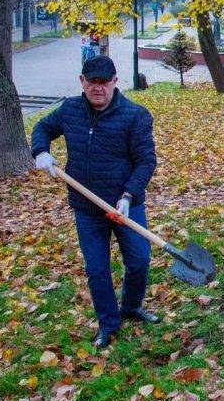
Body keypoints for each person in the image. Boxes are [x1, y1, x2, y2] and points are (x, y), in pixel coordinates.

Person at [31, 55, 159, 349]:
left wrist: (128, 196)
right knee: (97, 269)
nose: (98, 88)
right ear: (82, 82)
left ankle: (131, 306)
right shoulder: (70, 110)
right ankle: (108, 324)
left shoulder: (135, 115)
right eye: (92, 82)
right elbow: (42, 128)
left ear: (115, 81)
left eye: (104, 82)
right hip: (87, 208)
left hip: (124, 204)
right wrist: (41, 151)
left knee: (139, 260)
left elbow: (145, 162)